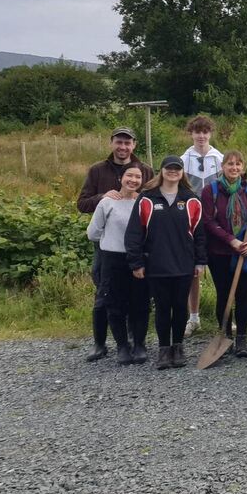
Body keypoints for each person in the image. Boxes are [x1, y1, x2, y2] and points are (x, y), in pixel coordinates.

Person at [77, 126, 152, 361]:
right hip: (107, 247)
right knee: (105, 296)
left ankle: (134, 341)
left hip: (137, 250)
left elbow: (152, 204)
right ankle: (100, 344)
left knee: (137, 297)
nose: (123, 147)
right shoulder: (98, 170)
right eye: (119, 142)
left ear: (134, 145)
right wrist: (103, 197)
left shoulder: (146, 170)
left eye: (127, 143)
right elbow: (82, 204)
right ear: (112, 143)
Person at [125, 156, 206, 370]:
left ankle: (178, 347)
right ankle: (163, 349)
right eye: (169, 168)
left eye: (177, 169)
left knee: (180, 307)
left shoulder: (191, 200)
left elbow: (199, 235)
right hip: (157, 264)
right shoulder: (147, 199)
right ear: (161, 171)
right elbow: (134, 233)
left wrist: (200, 262)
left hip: (184, 264)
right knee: (162, 308)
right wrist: (136, 263)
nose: (173, 172)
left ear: (182, 173)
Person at [201, 151, 247, 358]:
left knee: (242, 294)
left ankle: (241, 338)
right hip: (220, 251)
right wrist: (232, 240)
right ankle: (225, 336)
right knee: (224, 294)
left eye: (238, 164)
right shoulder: (210, 191)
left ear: (243, 167)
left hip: (244, 252)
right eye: (230, 164)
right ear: (222, 166)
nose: (234, 168)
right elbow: (208, 222)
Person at [181, 116, 226, 337]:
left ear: (210, 133)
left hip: (215, 222)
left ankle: (226, 317)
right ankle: (194, 317)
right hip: (191, 222)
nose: (201, 136)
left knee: (221, 271)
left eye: (205, 132)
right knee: (194, 272)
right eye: (197, 132)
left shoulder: (220, 159)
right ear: (191, 133)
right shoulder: (182, 160)